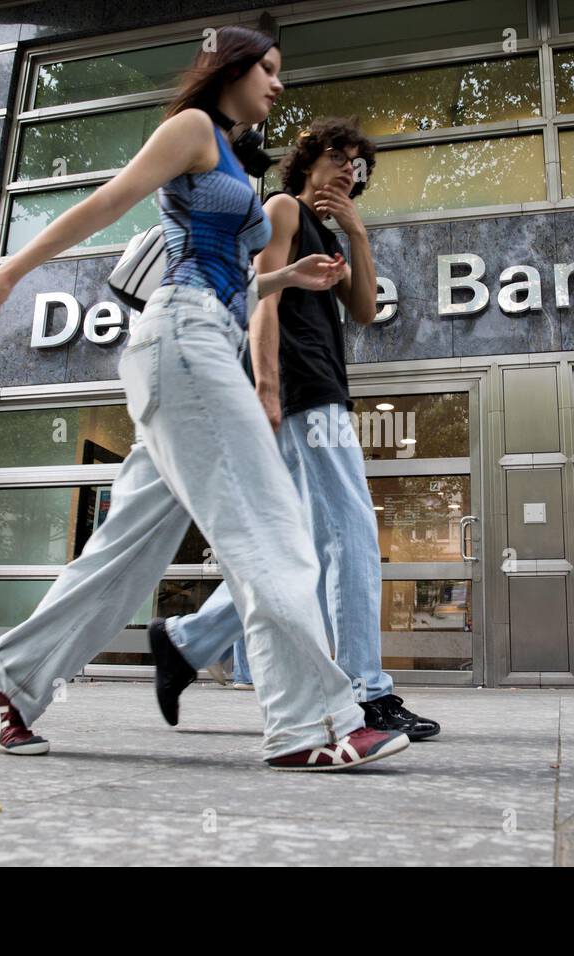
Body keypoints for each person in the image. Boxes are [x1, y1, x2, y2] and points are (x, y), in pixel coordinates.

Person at [0, 27, 409, 772]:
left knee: (126, 553)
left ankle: (6, 680)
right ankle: (313, 723)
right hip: (183, 346)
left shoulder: (232, 158)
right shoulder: (191, 130)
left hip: (201, 344)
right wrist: (8, 273)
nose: (277, 84)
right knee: (270, 525)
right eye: (267, 68)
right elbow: (109, 202)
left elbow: (229, 279)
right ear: (229, 66)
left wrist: (286, 281)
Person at [148, 117, 440, 740]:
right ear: (308, 160)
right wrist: (267, 388)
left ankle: (184, 641)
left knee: (301, 549)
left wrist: (357, 235)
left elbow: (363, 309)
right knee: (353, 533)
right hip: (302, 392)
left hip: (322, 390)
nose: (346, 170)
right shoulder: (281, 208)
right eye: (338, 156)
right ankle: (365, 690)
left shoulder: (331, 237)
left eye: (357, 167)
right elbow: (261, 295)